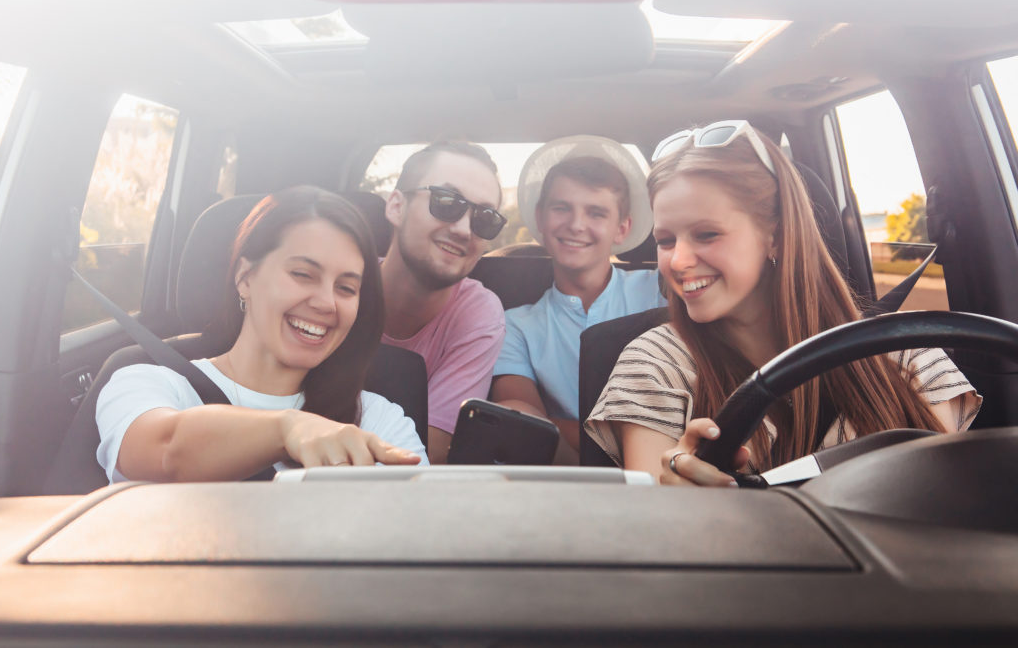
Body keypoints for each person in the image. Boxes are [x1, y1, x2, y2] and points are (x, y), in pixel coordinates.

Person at [585, 120, 981, 484]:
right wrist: (677, 498)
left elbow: (946, 507)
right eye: (666, 240)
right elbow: (649, 531)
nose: (679, 260)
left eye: (706, 234)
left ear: (775, 236)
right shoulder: (654, 364)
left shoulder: (905, 350)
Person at [96, 187, 427, 483]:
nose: (327, 303)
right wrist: (288, 428)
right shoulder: (148, 383)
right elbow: (164, 450)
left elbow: (423, 527)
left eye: (346, 287)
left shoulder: (378, 419)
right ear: (245, 277)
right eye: (302, 274)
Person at [491, 136, 665, 463]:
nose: (576, 225)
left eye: (596, 213)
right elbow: (522, 424)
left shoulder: (659, 291)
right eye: (562, 208)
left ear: (621, 228)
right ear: (541, 218)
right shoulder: (515, 325)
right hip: (564, 477)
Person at [380, 141, 508, 464]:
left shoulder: (478, 313)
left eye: (485, 218)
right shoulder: (339, 282)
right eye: (447, 202)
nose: (464, 229)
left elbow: (422, 458)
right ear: (396, 206)